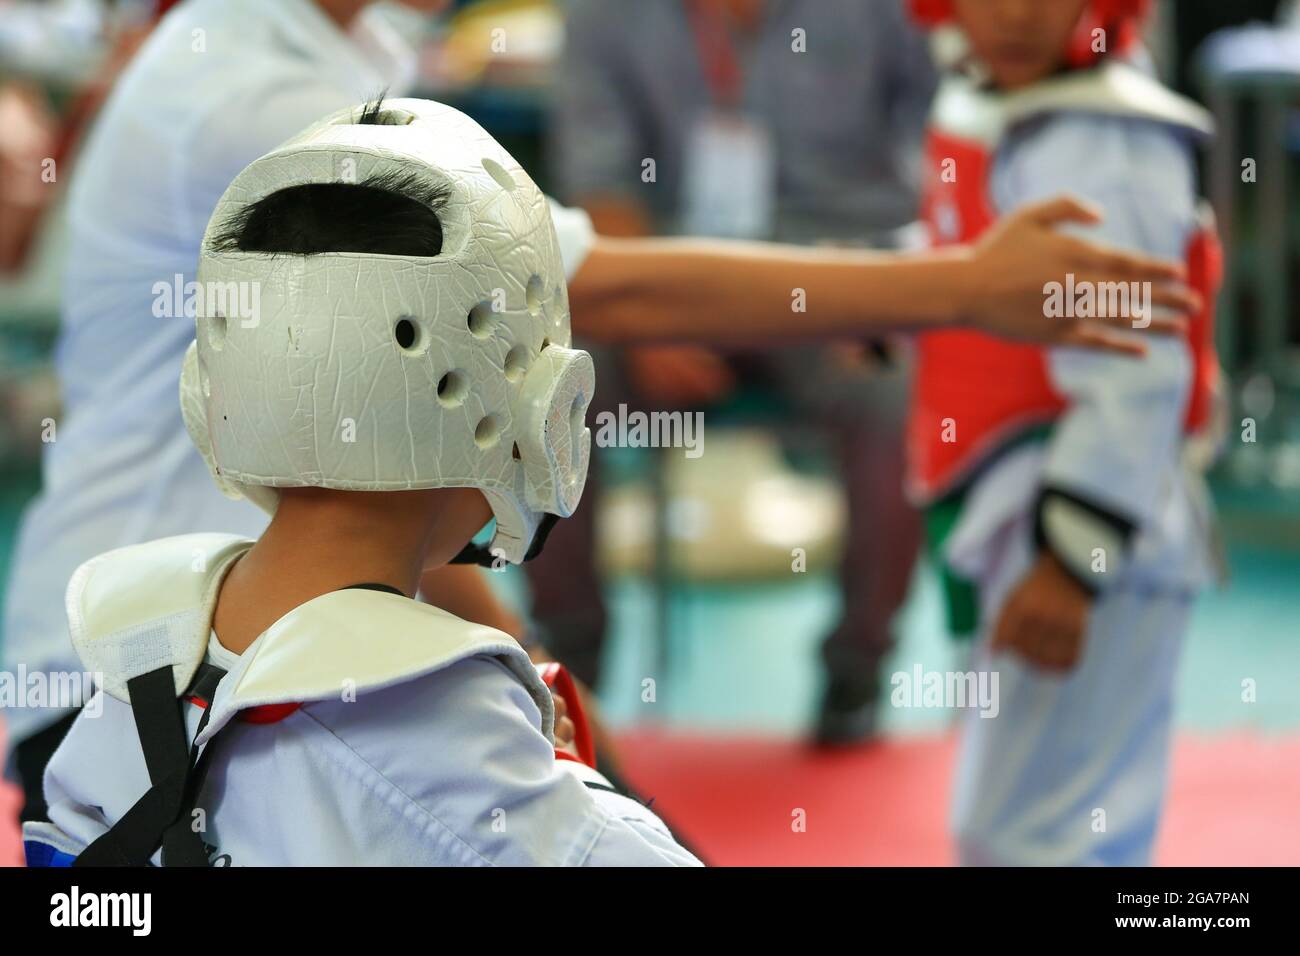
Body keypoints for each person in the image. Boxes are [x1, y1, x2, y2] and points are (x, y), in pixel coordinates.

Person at [0, 0, 1196, 827]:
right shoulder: (250, 96)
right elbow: (599, 284)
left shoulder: (321, 45)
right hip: (164, 689)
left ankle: (829, 672)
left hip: (232, 636)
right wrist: (961, 287)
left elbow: (378, 482)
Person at [22, 97, 701, 866]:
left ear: (216, 387)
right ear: (535, 405)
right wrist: (586, 790)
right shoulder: (459, 744)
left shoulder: (128, 671)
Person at [547, 0, 936, 739]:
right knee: (554, 382)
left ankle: (857, 673)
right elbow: (598, 180)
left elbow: (943, 145)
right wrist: (644, 320)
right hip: (674, 278)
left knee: (894, 394)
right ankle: (570, 668)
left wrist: (887, 284)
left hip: (836, 285)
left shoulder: (886, 14)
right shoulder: (604, 16)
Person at [904, 0, 1222, 864]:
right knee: (1034, 824)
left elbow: (1138, 368)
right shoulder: (1008, 109)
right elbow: (975, 252)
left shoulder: (1103, 144)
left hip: (1085, 538)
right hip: (1027, 519)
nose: (1013, 12)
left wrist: (1073, 563)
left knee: (1039, 835)